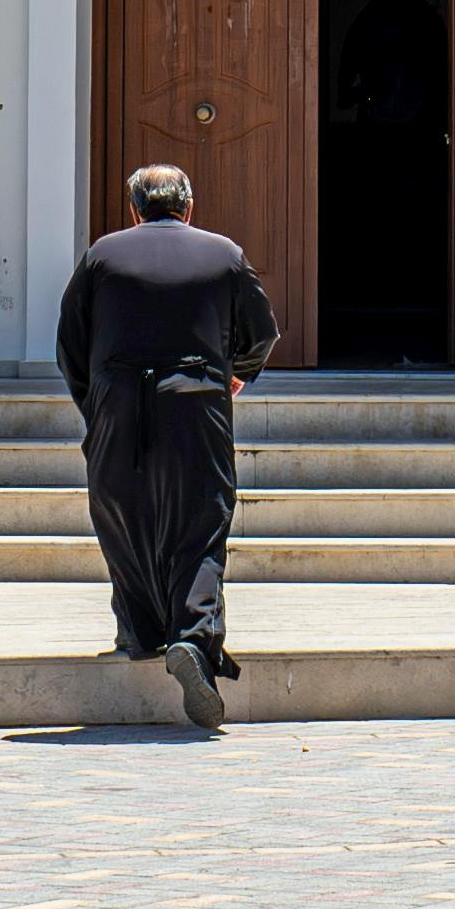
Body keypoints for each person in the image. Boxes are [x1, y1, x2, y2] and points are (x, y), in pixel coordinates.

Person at [55, 161, 280, 731]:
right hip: (196, 399)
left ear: (133, 209)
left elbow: (70, 344)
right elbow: (262, 331)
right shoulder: (224, 253)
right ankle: (194, 636)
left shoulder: (102, 255)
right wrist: (237, 373)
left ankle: (138, 630)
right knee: (201, 524)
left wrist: (99, 403)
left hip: (119, 400)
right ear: (189, 206)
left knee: (121, 516)